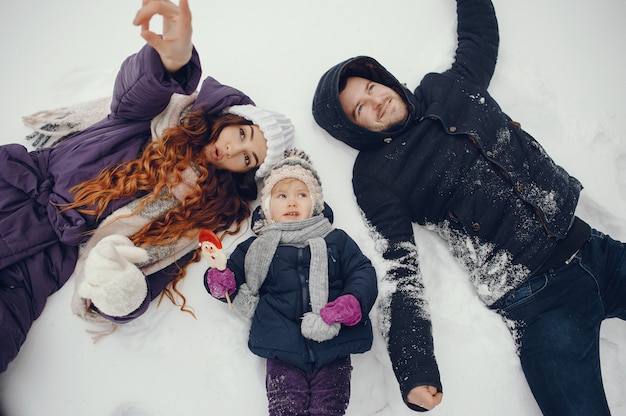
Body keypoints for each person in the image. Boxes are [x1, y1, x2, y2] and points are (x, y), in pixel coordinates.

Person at [311, 0, 626, 415]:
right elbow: (399, 270)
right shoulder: (376, 175)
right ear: (354, 129)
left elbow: (478, 36)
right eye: (359, 109)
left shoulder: (448, 86)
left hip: (593, 248)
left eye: (371, 88)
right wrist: (415, 369)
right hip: (539, 301)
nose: (375, 101)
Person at [0, 0, 295, 372]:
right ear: (229, 119)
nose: (234, 149)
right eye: (242, 133)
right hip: (14, 182)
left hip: (40, 262)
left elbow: (149, 279)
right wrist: (171, 62)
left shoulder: (195, 219)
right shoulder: (149, 121)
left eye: (248, 158)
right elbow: (134, 92)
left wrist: (118, 287)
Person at [204, 149, 378, 416]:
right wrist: (221, 279)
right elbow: (230, 275)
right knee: (285, 410)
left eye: (302, 194)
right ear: (267, 206)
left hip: (334, 345)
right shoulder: (255, 248)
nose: (292, 202)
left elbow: (362, 272)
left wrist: (352, 301)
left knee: (329, 409)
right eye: (282, 196)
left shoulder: (336, 240)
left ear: (315, 204)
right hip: (281, 349)